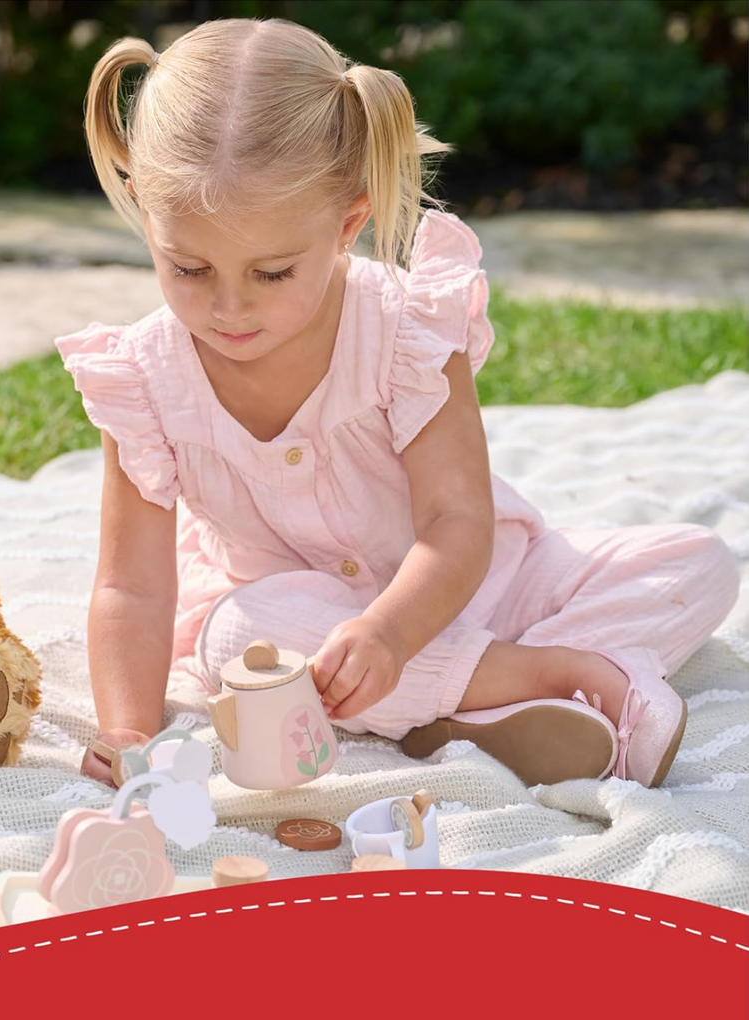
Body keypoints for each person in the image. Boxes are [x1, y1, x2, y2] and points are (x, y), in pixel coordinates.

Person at [55, 19, 739, 790]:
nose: (228, 307)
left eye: (273, 273)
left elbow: (459, 524)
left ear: (348, 222)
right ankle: (539, 682)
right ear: (146, 212)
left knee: (699, 563)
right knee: (239, 642)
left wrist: (394, 632)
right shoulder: (146, 380)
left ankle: (471, 696)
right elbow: (132, 586)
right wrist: (127, 729)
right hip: (301, 621)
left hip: (479, 587)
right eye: (188, 267)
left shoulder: (406, 331)